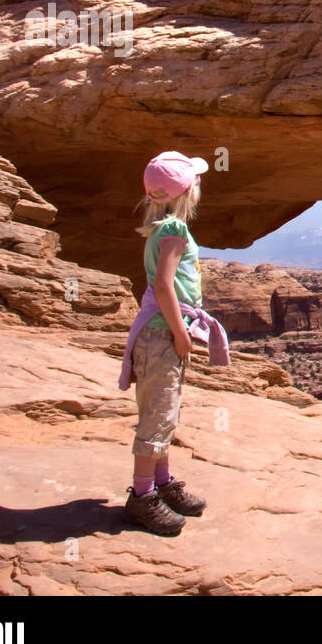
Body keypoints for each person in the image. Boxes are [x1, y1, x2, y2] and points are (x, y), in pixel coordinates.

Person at [118, 151, 230, 536]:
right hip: (162, 335)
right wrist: (181, 335)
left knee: (166, 414)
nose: (200, 186)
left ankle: (162, 484)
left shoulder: (161, 228)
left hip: (160, 333)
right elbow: (164, 285)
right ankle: (142, 497)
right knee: (157, 418)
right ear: (187, 191)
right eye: (196, 181)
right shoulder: (174, 232)